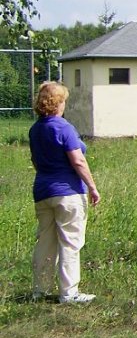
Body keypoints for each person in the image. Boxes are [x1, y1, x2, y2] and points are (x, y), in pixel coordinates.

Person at [29, 81, 101, 304]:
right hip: (68, 192)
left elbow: (35, 160)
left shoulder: (35, 129)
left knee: (45, 241)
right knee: (70, 241)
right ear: (57, 103)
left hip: (43, 191)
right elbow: (78, 160)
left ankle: (39, 290)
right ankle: (69, 293)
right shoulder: (63, 127)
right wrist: (92, 186)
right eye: (63, 101)